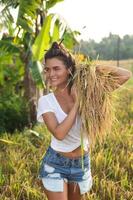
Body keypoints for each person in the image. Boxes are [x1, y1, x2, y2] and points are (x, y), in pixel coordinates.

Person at [37, 41, 132, 200]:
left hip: (81, 164)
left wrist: (89, 70)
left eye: (56, 68)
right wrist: (77, 105)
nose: (51, 74)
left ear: (68, 70)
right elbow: (59, 133)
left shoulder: (91, 94)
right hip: (55, 164)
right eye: (47, 69)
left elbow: (125, 75)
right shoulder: (46, 101)